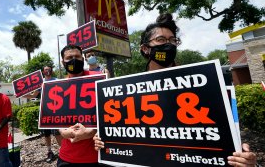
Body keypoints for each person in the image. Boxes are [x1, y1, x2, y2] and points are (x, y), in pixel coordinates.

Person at [93, 13, 257, 167]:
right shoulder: (128, 92)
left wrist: (242, 155)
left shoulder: (204, 84)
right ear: (145, 49)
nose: (168, 45)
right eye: (161, 39)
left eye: (173, 40)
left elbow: (224, 133)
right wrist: (104, 141)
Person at [57, 44, 105, 166]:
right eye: (69, 57)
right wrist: (62, 132)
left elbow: (110, 112)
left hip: (96, 156)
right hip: (66, 157)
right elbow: (56, 115)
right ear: (63, 62)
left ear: (83, 60)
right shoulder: (58, 87)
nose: (74, 59)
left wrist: (92, 131)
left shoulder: (98, 79)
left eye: (77, 56)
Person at [22, 65, 62, 163]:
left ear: (51, 71)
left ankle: (63, 151)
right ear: (43, 72)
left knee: (57, 132)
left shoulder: (56, 80)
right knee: (46, 133)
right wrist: (22, 95)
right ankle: (49, 152)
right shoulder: (40, 83)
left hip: (56, 110)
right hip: (45, 110)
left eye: (49, 69)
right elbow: (33, 95)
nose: (47, 71)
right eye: (45, 70)